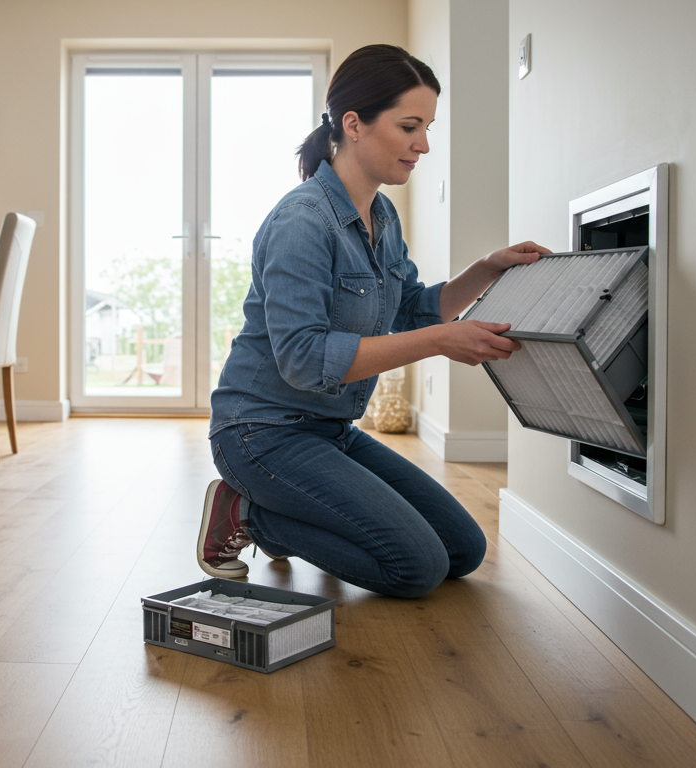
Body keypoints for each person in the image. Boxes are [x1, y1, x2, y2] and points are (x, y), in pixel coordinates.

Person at [199, 44, 551, 598]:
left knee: (463, 550)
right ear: (354, 124)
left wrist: (487, 270)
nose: (424, 144)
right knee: (414, 567)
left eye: (428, 127)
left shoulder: (381, 215)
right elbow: (305, 360)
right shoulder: (302, 223)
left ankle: (292, 512)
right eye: (410, 126)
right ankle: (247, 514)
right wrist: (439, 341)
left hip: (330, 432)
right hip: (262, 435)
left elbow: (410, 307)